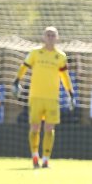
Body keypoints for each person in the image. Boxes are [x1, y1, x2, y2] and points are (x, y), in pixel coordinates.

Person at [13, 26, 74, 168]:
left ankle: (46, 159)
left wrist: (70, 93)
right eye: (48, 34)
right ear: (43, 37)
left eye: (53, 35)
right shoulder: (35, 53)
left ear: (57, 37)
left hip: (52, 98)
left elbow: (64, 76)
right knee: (35, 127)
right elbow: (24, 67)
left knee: (49, 128)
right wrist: (17, 81)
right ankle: (35, 156)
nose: (50, 37)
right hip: (36, 96)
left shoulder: (61, 56)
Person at [59, 57, 79, 124]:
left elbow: (80, 72)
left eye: (68, 63)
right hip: (60, 106)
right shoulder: (58, 75)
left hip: (72, 107)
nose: (67, 65)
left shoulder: (73, 74)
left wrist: (77, 57)